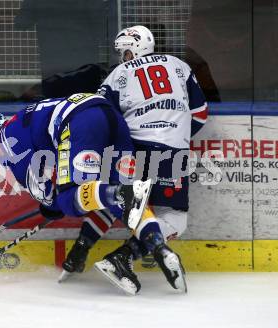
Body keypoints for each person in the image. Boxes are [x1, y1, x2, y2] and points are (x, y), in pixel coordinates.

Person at [0, 93, 163, 295]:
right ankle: (158, 245)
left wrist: (51, 206)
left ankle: (121, 193)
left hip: (79, 122)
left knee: (70, 199)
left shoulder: (7, 141)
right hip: (107, 113)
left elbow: (42, 192)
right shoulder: (22, 120)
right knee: (109, 198)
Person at [74, 25, 207, 294]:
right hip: (170, 152)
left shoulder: (117, 75)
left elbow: (100, 117)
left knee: (117, 199)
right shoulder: (179, 66)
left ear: (135, 47)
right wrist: (176, 136)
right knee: (174, 219)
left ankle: (81, 247)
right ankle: (122, 257)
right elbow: (200, 113)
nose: (122, 57)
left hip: (130, 151)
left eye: (124, 51)